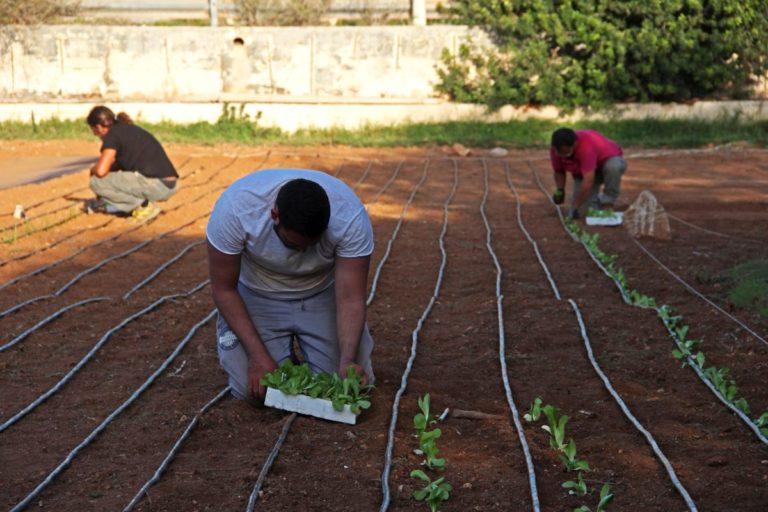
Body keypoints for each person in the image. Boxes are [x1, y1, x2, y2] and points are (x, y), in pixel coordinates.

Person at [206, 169, 375, 403]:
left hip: (319, 292)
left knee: (342, 388)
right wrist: (256, 356)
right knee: (255, 391)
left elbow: (350, 298)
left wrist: (348, 359)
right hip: (256, 293)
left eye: (312, 245)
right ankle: (278, 355)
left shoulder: (349, 217)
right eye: (293, 245)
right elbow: (224, 290)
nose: (303, 253)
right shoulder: (236, 210)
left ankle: (297, 356)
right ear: (274, 214)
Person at [86, 105, 179, 223]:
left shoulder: (112, 136)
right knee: (109, 180)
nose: (97, 136)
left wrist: (93, 170)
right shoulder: (125, 129)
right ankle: (131, 206)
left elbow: (101, 171)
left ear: (99, 127)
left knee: (96, 182)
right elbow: (115, 166)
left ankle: (142, 207)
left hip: (157, 185)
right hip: (169, 185)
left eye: (94, 132)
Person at [549, 127, 627, 219]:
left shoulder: (586, 147)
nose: (564, 156)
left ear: (574, 144)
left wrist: (575, 206)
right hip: (583, 170)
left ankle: (608, 201)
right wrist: (560, 190)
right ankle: (600, 200)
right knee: (586, 211)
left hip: (606, 162)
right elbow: (559, 171)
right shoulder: (555, 150)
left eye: (567, 153)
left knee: (613, 167)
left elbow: (588, 180)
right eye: (561, 154)